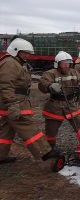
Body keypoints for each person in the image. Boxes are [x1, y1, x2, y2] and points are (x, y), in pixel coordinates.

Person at [0, 38, 60, 166]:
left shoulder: (15, 62)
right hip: (13, 103)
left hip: (13, 102)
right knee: (27, 126)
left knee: (6, 131)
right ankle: (45, 152)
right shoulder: (10, 63)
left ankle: (1, 155)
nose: (27, 55)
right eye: (25, 53)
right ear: (16, 51)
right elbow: (5, 85)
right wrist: (12, 104)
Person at [38, 51, 80, 148]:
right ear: (57, 64)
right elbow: (42, 85)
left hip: (71, 105)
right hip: (54, 106)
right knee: (51, 132)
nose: (66, 65)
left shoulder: (73, 72)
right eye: (64, 63)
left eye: (68, 63)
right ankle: (50, 149)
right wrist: (50, 86)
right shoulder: (50, 73)